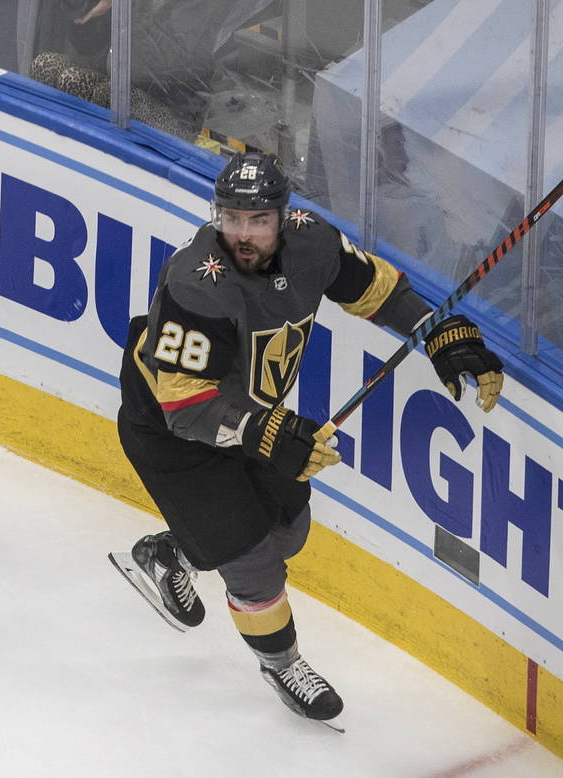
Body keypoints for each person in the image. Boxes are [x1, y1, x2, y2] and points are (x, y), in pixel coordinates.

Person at [116, 151, 504, 722]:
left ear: (282, 215)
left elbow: (378, 291)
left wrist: (434, 331)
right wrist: (264, 431)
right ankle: (282, 663)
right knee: (253, 560)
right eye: (231, 218)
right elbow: (186, 407)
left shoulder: (313, 241)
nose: (243, 234)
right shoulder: (197, 283)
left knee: (287, 530)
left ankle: (169, 551)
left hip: (249, 416)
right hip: (175, 431)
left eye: (258, 220)